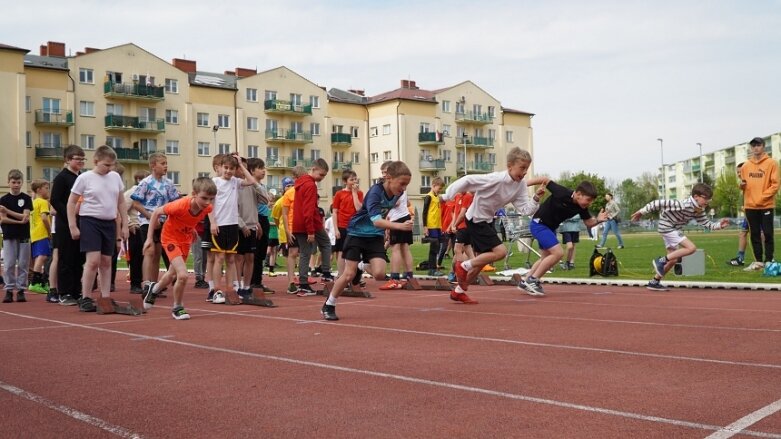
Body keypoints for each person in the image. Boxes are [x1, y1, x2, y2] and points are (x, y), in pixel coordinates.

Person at [443, 147, 546, 304]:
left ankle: (459, 291)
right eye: (522, 168)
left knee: (482, 261)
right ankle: (463, 266)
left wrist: (536, 198)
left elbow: (526, 210)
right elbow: (468, 180)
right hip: (476, 218)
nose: (524, 172)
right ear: (510, 166)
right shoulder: (496, 179)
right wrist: (447, 195)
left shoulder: (520, 186)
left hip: (487, 220)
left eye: (527, 169)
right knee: (501, 252)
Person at [321, 161, 413, 321]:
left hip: (375, 236)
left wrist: (389, 227)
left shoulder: (397, 194)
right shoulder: (375, 193)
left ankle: (361, 265)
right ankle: (329, 304)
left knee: (379, 274)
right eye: (402, 184)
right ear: (389, 178)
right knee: (348, 274)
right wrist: (399, 226)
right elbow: (376, 220)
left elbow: (385, 214)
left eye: (406, 185)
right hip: (357, 233)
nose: (404, 188)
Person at [631, 183, 729, 291]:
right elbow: (657, 203)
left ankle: (654, 281)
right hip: (667, 227)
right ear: (696, 196)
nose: (707, 202)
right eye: (705, 199)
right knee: (691, 248)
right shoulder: (683, 204)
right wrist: (641, 212)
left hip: (673, 229)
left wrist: (719, 225)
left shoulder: (699, 210)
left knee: (673, 259)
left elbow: (706, 223)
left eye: (709, 200)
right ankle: (661, 260)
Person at [143, 177, 217, 319]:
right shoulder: (180, 205)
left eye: (211, 199)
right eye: (204, 198)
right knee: (182, 275)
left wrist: (192, 228)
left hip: (185, 240)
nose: (208, 202)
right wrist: (149, 238)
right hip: (170, 238)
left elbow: (190, 219)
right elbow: (156, 213)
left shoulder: (207, 207)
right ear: (194, 194)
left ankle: (154, 289)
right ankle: (177, 307)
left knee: (172, 274)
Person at [67, 145, 129, 312]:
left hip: (109, 222)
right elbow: (71, 202)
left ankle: (105, 297)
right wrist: (73, 225)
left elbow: (121, 202)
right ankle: (85, 297)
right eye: (106, 165)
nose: (110, 168)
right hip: (90, 221)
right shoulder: (85, 178)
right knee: (93, 261)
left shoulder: (115, 177)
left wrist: (125, 224)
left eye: (112, 165)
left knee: (107, 261)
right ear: (96, 161)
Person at [518, 181, 606, 296]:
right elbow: (544, 179)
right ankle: (533, 280)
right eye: (588, 200)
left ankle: (526, 281)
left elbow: (589, 223)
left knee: (546, 258)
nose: (589, 203)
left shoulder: (581, 207)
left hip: (549, 229)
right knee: (558, 253)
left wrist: (598, 220)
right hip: (539, 224)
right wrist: (521, 184)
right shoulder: (562, 192)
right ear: (578, 194)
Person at [207, 153, 257, 303]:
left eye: (231, 168)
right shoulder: (214, 182)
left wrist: (241, 164)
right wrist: (212, 223)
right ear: (220, 168)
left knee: (230, 259)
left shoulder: (235, 182)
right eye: (226, 168)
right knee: (219, 257)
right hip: (219, 224)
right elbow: (209, 205)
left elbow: (252, 181)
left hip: (232, 225)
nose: (228, 171)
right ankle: (216, 290)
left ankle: (230, 289)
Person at [131, 152, 180, 296]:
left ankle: (154, 285)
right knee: (149, 251)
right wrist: (151, 216)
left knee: (158, 253)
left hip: (165, 222)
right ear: (153, 166)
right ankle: (146, 283)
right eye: (163, 163)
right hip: (148, 221)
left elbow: (175, 202)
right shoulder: (145, 183)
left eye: (166, 163)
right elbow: (136, 203)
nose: (166, 166)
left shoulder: (169, 183)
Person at [50, 145, 86, 306]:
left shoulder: (83, 177)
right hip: (65, 224)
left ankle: (76, 291)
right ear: (67, 160)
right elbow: (55, 200)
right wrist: (69, 215)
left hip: (83, 222)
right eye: (77, 159)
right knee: (66, 258)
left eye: (82, 159)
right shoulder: (61, 178)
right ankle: (63, 292)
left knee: (79, 258)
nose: (80, 162)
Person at [293, 158, 333, 296]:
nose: (322, 178)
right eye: (321, 175)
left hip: (298, 223)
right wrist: (310, 231)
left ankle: (305, 282)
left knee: (306, 252)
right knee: (325, 244)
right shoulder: (310, 185)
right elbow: (308, 209)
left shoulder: (300, 183)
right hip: (309, 223)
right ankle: (325, 273)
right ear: (313, 169)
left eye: (324, 176)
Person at [740, 137, 780, 271]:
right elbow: (744, 184)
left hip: (766, 205)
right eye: (753, 146)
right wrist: (741, 186)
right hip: (750, 206)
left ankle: (769, 260)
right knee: (754, 234)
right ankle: (758, 262)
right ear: (751, 148)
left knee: (768, 234)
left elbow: (775, 185)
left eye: (758, 145)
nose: (756, 148)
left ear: (763, 146)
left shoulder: (772, 163)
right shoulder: (745, 166)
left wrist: (761, 198)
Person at [0, 169, 33, 303]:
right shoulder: (3, 199)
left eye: (18, 182)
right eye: (13, 182)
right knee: (8, 264)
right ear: (8, 183)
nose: (16, 185)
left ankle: (20, 290)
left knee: (23, 264)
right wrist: (18, 220)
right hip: (9, 235)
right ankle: (9, 290)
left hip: (24, 234)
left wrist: (8, 212)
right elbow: (3, 219)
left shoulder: (26, 198)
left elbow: (25, 216)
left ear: (22, 183)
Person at [382, 161, 415, 290]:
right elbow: (406, 202)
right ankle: (409, 276)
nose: (384, 175)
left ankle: (394, 278)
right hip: (405, 216)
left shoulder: (396, 188)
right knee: (405, 248)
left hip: (398, 219)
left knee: (395, 248)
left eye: (385, 172)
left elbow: (392, 203)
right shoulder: (402, 186)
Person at [235, 158, 264, 297]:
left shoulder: (252, 186)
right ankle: (238, 286)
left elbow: (265, 199)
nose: (243, 171)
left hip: (252, 226)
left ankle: (246, 286)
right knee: (239, 258)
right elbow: (231, 209)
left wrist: (256, 184)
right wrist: (241, 224)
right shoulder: (234, 186)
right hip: (239, 227)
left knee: (250, 257)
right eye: (240, 168)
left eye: (245, 168)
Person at [332, 170, 364, 280]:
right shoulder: (339, 194)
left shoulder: (359, 193)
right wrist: (336, 229)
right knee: (341, 251)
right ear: (345, 181)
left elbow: (359, 208)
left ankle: (355, 276)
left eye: (355, 179)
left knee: (355, 251)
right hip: (342, 226)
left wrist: (354, 193)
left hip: (355, 227)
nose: (354, 181)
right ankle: (341, 275)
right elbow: (335, 212)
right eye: (351, 180)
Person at [247, 158, 273, 293]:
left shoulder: (261, 186)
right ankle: (252, 282)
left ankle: (258, 281)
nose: (263, 171)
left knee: (262, 252)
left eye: (264, 168)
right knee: (255, 253)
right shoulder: (251, 185)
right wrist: (256, 221)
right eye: (260, 168)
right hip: (256, 219)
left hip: (264, 218)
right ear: (251, 170)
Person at [281, 165, 306, 293]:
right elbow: (284, 213)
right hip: (292, 227)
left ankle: (303, 280)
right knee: (293, 253)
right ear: (294, 178)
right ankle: (291, 281)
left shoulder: (307, 191)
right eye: (298, 178)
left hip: (305, 227)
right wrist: (287, 230)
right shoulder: (289, 193)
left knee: (305, 254)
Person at [125, 170, 149, 294]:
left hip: (146, 227)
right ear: (139, 179)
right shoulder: (132, 192)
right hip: (136, 228)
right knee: (136, 257)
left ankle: (148, 282)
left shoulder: (147, 192)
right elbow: (122, 209)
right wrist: (129, 224)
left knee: (148, 256)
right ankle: (135, 283)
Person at [28, 179, 52, 295]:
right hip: (41, 233)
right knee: (42, 257)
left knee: (39, 257)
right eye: (46, 188)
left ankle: (42, 282)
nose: (48, 190)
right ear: (39, 190)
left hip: (34, 233)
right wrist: (49, 231)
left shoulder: (33, 202)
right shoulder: (42, 202)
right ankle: (35, 283)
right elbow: (44, 218)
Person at [422, 177, 444, 276]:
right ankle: (432, 269)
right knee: (434, 247)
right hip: (431, 226)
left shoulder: (437, 197)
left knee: (437, 247)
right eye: (439, 188)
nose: (440, 191)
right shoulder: (429, 196)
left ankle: (434, 268)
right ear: (434, 186)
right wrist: (425, 226)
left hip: (437, 226)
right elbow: (425, 212)